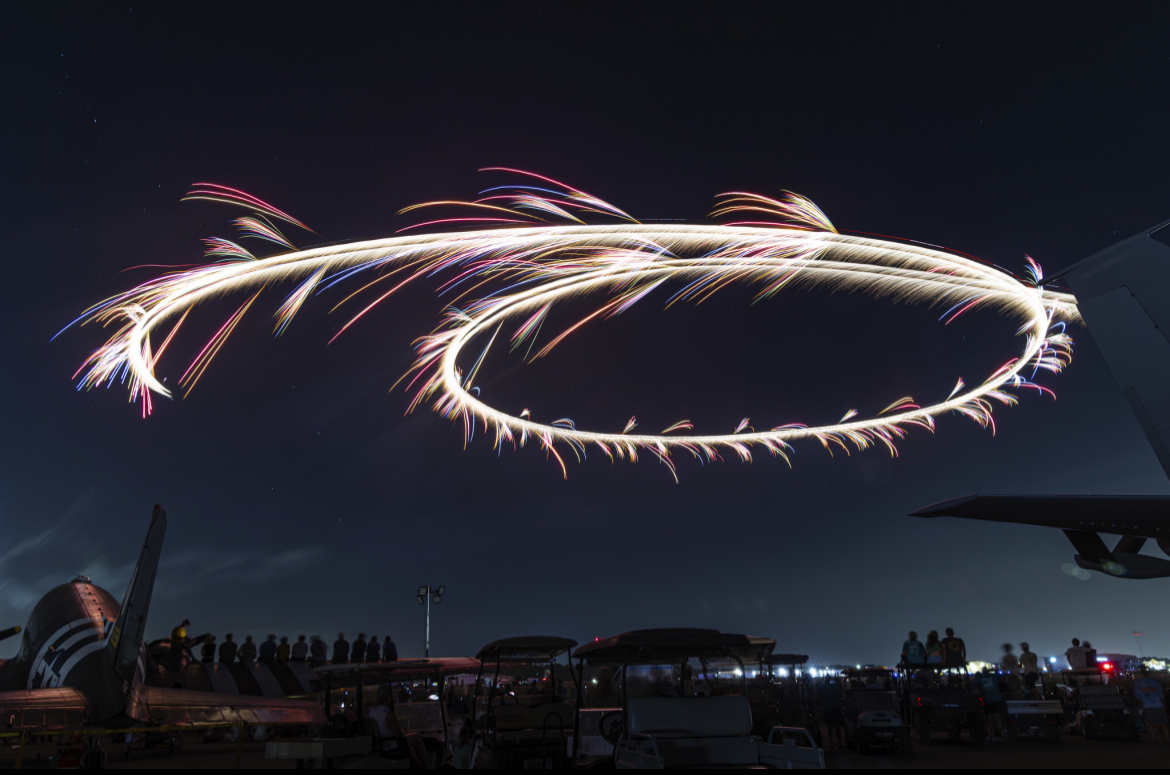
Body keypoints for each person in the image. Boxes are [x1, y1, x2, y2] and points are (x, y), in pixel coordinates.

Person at [368, 683, 427, 767]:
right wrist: (404, 732)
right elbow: (398, 733)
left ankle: (418, 764)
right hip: (390, 746)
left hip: (380, 744)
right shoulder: (389, 714)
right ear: (388, 697)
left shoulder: (371, 710)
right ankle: (427, 763)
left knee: (408, 744)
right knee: (416, 736)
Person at [1133, 666, 1170, 743]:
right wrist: (1164, 705)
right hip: (1159, 705)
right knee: (1164, 724)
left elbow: (1138, 696)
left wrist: (1139, 706)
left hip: (1147, 706)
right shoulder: (1154, 682)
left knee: (1150, 724)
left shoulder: (1138, 683)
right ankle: (1168, 739)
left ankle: (1154, 740)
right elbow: (1161, 695)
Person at [972, 669, 1004, 741]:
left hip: (987, 700)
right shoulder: (993, 676)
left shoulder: (980, 678)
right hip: (996, 700)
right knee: (997, 718)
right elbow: (1000, 673)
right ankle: (999, 735)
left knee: (990, 720)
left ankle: (993, 736)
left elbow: (973, 682)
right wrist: (991, 670)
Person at [816, 677, 845, 749]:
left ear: (825, 680)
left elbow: (818, 697)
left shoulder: (821, 686)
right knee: (837, 725)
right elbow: (841, 695)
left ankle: (831, 742)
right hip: (836, 707)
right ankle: (840, 742)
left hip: (827, 708)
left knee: (829, 726)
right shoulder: (835, 686)